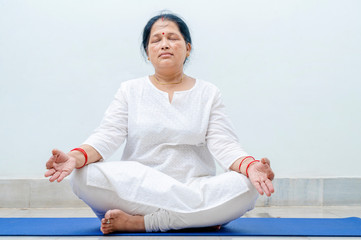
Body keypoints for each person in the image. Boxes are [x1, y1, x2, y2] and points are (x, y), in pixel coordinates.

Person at [45, 12, 275, 234]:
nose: (164, 44)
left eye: (172, 38)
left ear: (188, 48)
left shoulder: (208, 93)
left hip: (194, 186)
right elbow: (107, 135)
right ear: (148, 52)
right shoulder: (130, 90)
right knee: (82, 177)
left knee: (247, 186)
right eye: (156, 40)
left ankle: (143, 223)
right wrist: (73, 159)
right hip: (140, 189)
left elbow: (224, 144)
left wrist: (252, 167)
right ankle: (198, 218)